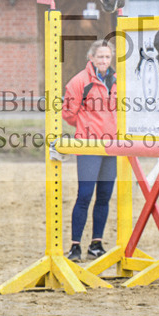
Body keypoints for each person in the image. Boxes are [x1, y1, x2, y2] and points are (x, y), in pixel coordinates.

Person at [62, 40, 117, 261]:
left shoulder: (116, 81)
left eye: (107, 57)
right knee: (84, 195)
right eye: (100, 57)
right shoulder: (79, 82)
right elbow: (68, 113)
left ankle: (96, 243)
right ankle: (75, 246)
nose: (104, 61)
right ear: (91, 58)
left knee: (104, 196)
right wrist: (87, 128)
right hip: (88, 145)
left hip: (112, 146)